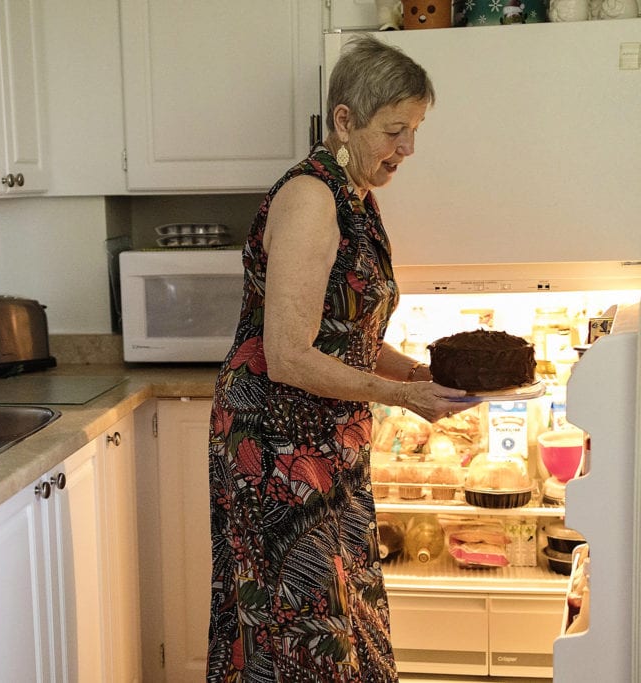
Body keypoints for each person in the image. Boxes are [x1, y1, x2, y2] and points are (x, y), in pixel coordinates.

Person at [207, 35, 469, 682]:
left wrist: (413, 370)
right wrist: (402, 396)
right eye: (395, 130)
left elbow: (343, 328)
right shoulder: (310, 198)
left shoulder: (356, 195)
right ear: (345, 120)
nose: (408, 148)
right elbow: (291, 354)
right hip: (277, 442)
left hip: (327, 437)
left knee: (343, 613)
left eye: (415, 130)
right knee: (298, 620)